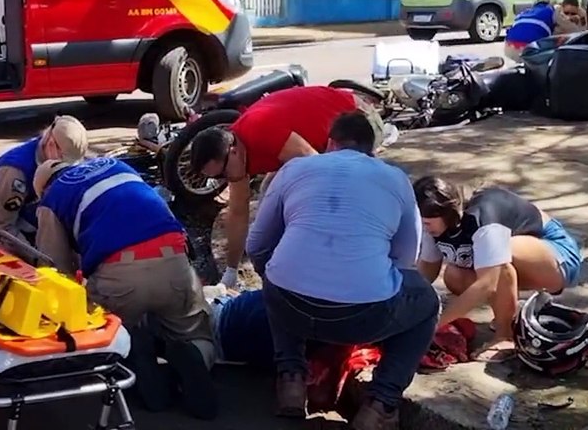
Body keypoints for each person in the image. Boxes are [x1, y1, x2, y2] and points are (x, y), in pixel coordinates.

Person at [246, 111, 437, 429]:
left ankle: (291, 380)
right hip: (365, 315)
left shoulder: (294, 169)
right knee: (427, 303)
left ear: (330, 143)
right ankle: (380, 404)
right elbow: (406, 261)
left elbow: (257, 247)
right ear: (372, 149)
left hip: (289, 306)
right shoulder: (395, 179)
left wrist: (283, 281)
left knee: (277, 273)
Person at [33, 156, 219, 420]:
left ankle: (130, 354)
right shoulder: (117, 166)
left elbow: (55, 271)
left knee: (107, 330)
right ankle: (196, 355)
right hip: (176, 265)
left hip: (120, 278)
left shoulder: (52, 199)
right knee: (195, 330)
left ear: (43, 189)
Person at [188, 85, 387, 289]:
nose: (225, 180)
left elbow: (321, 169)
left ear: (233, 151)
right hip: (319, 142)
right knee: (270, 193)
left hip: (359, 121)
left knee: (326, 198)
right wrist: (230, 273)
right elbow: (238, 213)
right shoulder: (236, 155)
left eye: (223, 173)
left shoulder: (260, 130)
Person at [412, 177, 584, 361]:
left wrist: (433, 325)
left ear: (447, 214)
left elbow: (487, 283)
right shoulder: (433, 222)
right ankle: (508, 311)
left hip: (557, 257)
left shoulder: (484, 217)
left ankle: (506, 336)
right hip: (521, 257)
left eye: (428, 223)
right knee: (455, 275)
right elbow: (428, 268)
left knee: (497, 259)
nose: (424, 227)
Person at [0, 116, 87, 242]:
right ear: (50, 145)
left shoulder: (50, 153)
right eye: (65, 162)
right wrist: (36, 258)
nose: (68, 170)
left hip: (31, 227)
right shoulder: (15, 172)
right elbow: (3, 229)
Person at [501, 0, 587, 62]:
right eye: (566, 13)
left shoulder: (527, 12)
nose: (569, 16)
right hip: (530, 47)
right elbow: (576, 34)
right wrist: (580, 18)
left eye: (572, 14)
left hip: (509, 46)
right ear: (560, 7)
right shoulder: (554, 12)